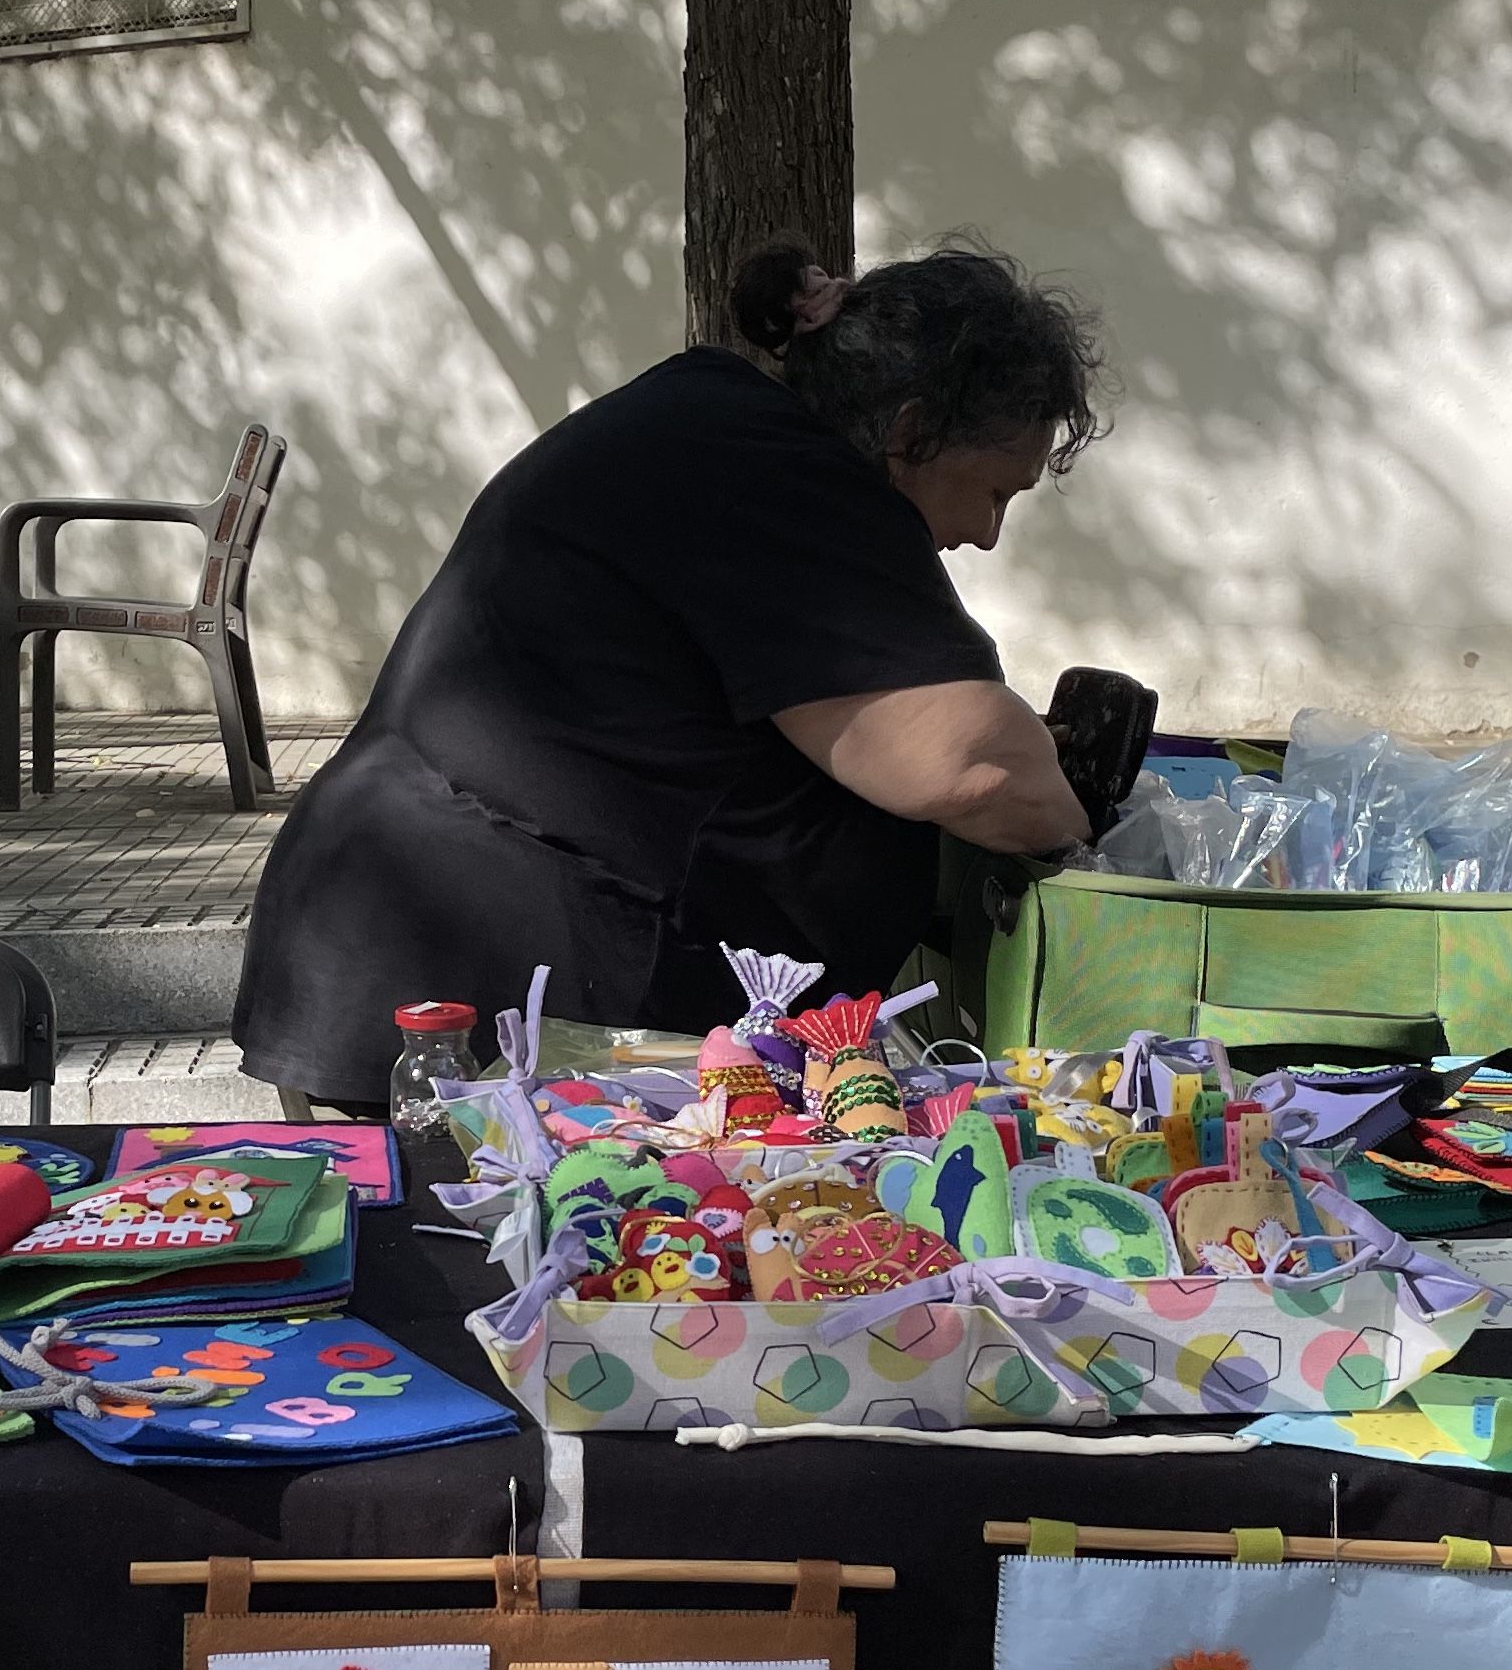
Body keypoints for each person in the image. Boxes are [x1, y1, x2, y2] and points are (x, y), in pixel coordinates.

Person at [233, 242, 1109, 1109]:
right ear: (911, 433)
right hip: (467, 994)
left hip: (397, 952)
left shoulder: (723, 427)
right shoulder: (790, 480)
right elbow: (963, 766)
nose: (988, 535)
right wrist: (1081, 836)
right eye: (996, 491)